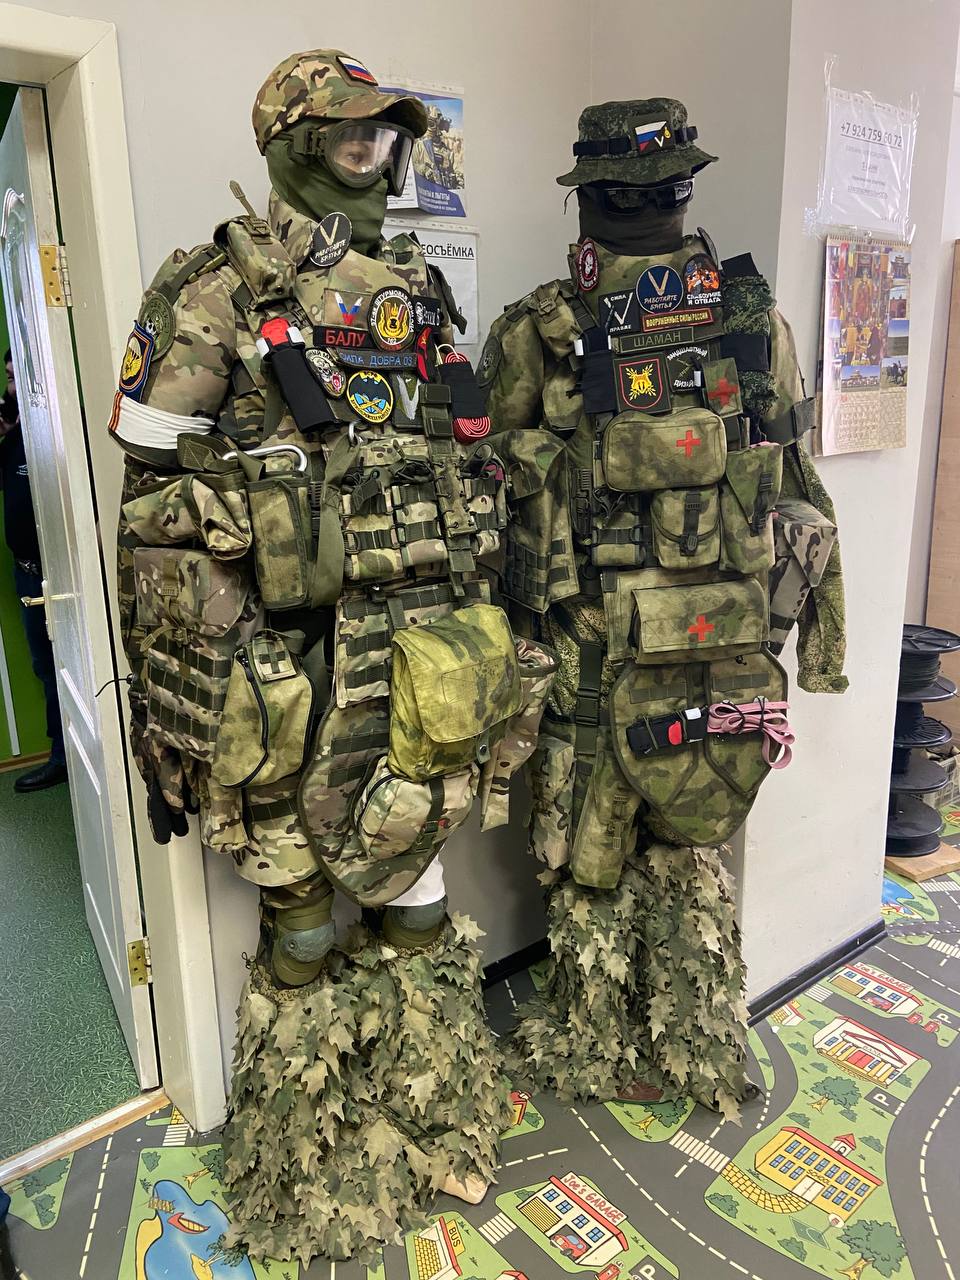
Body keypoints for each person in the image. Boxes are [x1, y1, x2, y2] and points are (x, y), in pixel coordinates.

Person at [110, 50, 554, 1265]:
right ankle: (314, 1161)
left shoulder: (418, 289)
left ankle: (432, 1117)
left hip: (420, 667)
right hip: (287, 673)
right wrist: (209, 673)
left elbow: (464, 459)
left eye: (386, 131)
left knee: (416, 895)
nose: (375, 146)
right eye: (350, 128)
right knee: (301, 926)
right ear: (291, 139)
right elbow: (150, 504)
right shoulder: (214, 290)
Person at [480, 98, 847, 1118]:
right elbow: (798, 481)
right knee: (690, 831)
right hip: (712, 637)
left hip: (599, 645)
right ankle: (690, 1039)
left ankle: (595, 1039)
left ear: (586, 199)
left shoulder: (536, 327)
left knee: (589, 851)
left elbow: (484, 490)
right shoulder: (752, 321)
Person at [0, 350, 67, 791]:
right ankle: (62, 757)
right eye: (7, 377)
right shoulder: (13, 439)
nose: (11, 386)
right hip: (28, 574)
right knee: (47, 669)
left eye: (16, 376)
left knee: (77, 668)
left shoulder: (59, 429)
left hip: (65, 576)